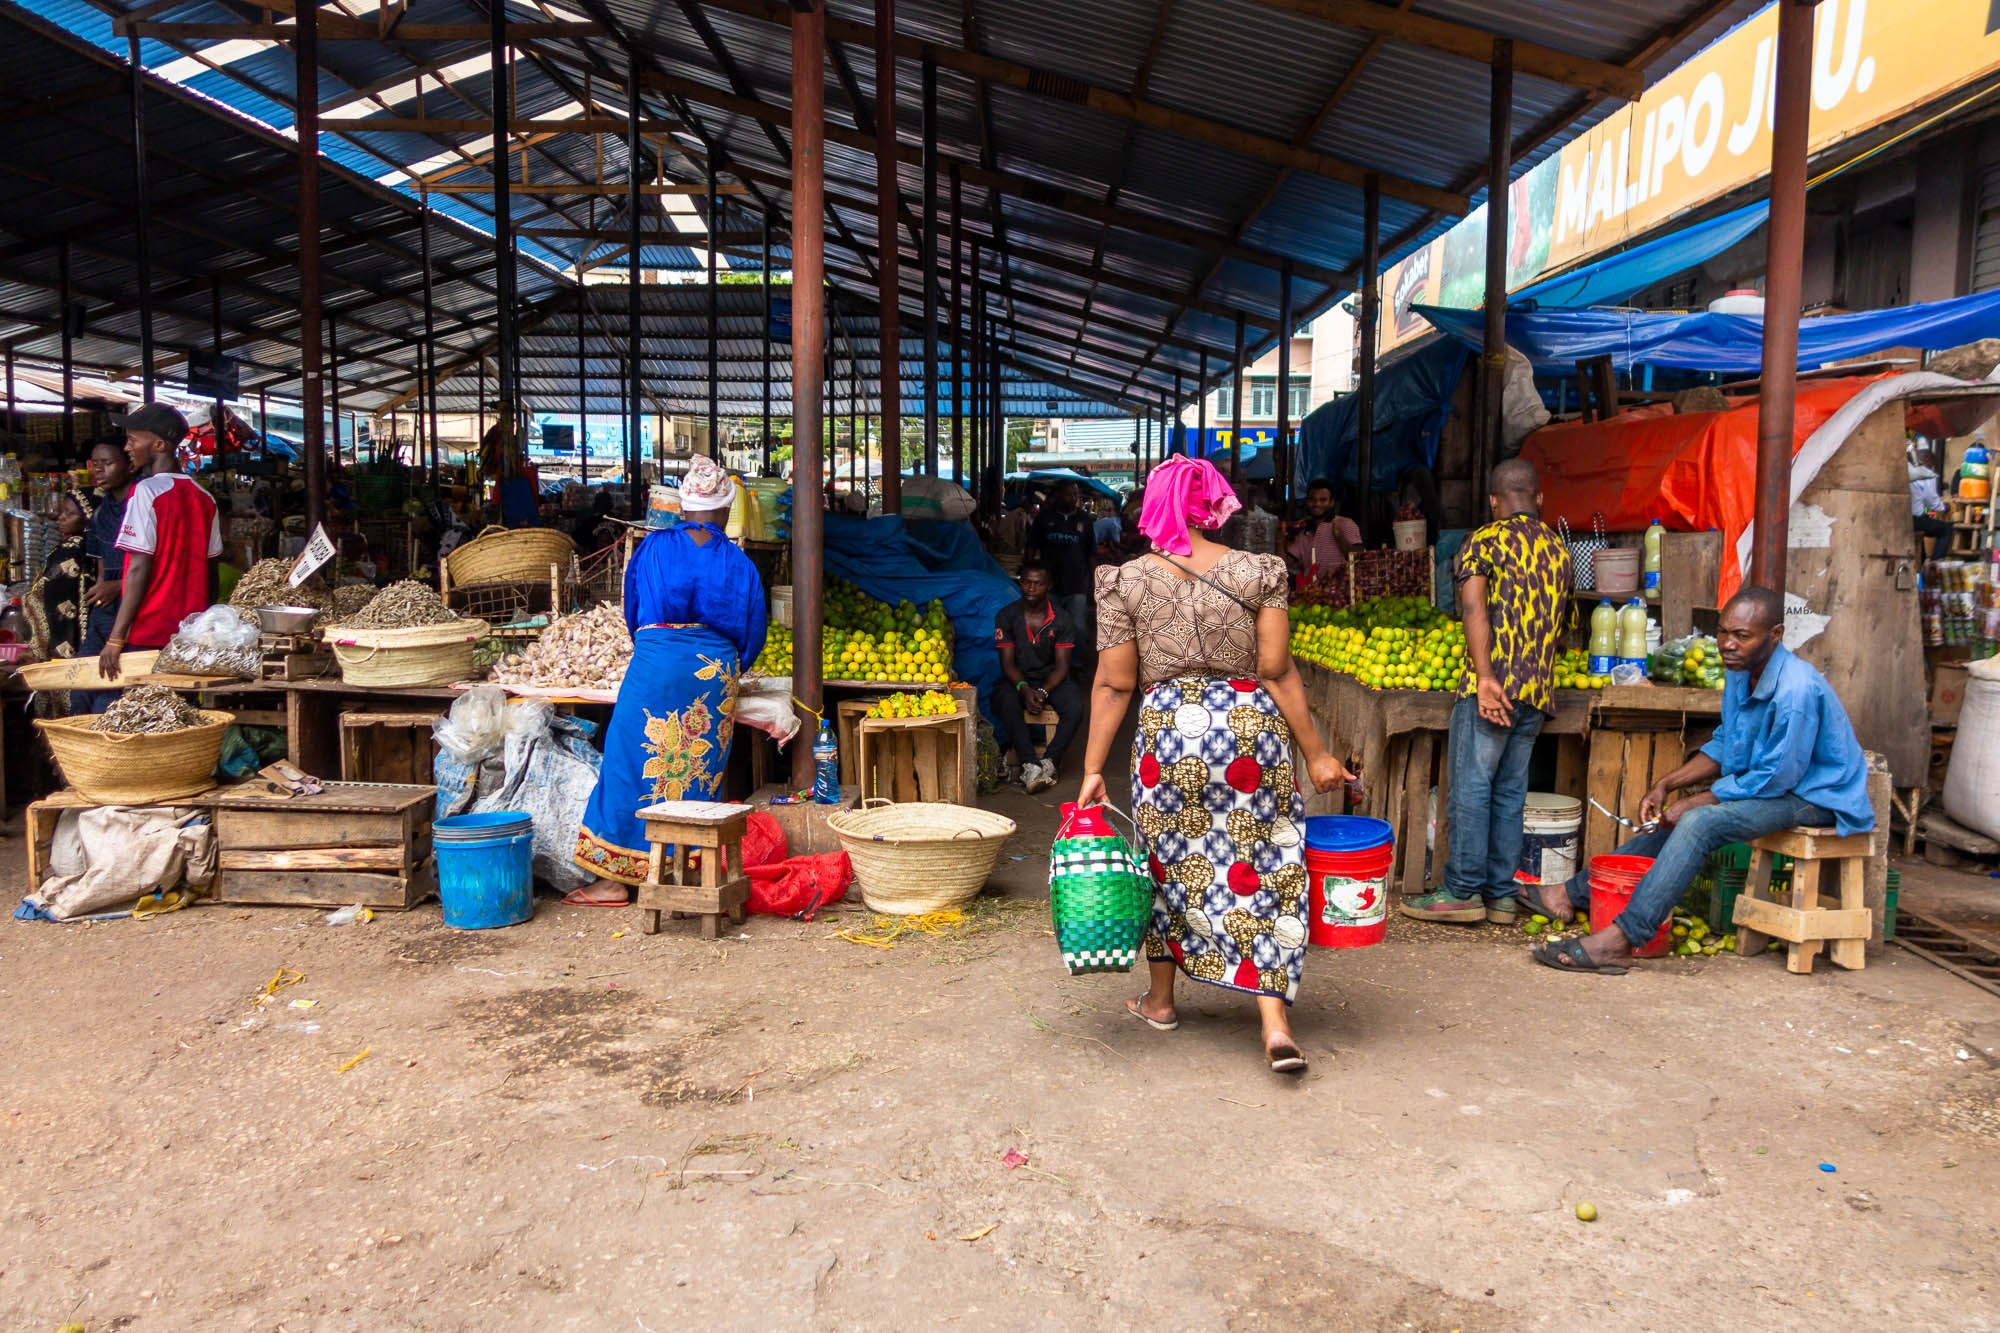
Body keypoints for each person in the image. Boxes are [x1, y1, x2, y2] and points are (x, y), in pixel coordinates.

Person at [1078, 455, 1352, 1074]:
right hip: (1249, 731)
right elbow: (1277, 669)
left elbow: (1114, 685)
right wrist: (1317, 753)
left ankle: (1160, 999)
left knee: (1168, 861)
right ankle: (1276, 1025)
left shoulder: (1124, 582)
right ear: (1214, 505)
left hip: (1169, 738)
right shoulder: (1260, 572)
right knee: (1265, 859)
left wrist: (1094, 766)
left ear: (1154, 506)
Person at [1525, 586, 1873, 974]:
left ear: (1775, 635)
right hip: (1779, 786)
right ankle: (1571, 892)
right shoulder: (1742, 672)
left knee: (1697, 822)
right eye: (1723, 631)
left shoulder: (1796, 691)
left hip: (1818, 797)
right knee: (1674, 818)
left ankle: (1621, 940)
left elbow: (1775, 778)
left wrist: (1695, 802)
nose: (1727, 644)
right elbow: (1728, 743)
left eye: (1742, 635)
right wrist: (1667, 785)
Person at [570, 458, 767, 905]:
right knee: (698, 772)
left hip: (654, 664)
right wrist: (726, 668)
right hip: (711, 674)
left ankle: (615, 880)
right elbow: (752, 634)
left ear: (684, 505)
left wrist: (658, 654)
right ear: (725, 508)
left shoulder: (652, 549)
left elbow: (633, 614)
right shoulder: (740, 564)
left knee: (626, 764)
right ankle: (681, 872)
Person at [1401, 459, 1572, 926]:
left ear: (1494, 501)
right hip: (1536, 691)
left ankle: (1461, 891)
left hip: (1492, 687)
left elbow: (1472, 608)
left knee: (1472, 790)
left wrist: (1485, 677)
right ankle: (1499, 896)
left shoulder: (1485, 540)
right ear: (1538, 498)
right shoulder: (1559, 549)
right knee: (1510, 791)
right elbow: (1562, 629)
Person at [97, 404, 220, 684]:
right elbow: (211, 571)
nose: (127, 447)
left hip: (148, 631)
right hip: (190, 637)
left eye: (133, 440)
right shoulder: (205, 498)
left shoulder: (146, 492)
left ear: (159, 444)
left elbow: (138, 568)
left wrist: (116, 638)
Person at [992, 562, 1086, 792]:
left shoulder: (1062, 619)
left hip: (1050, 678)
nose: (1030, 589)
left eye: (1038, 584)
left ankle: (1049, 762)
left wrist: (1043, 691)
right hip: (1018, 678)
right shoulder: (1007, 616)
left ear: (1049, 586)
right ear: (1020, 583)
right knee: (1003, 699)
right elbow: (1007, 663)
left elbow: (1062, 666)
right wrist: (1025, 690)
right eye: (1026, 582)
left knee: (1075, 706)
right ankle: (1029, 764)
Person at [25, 490, 95, 665]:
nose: (61, 518)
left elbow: (49, 595)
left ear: (88, 517)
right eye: (62, 511)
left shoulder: (69, 552)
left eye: (70, 514)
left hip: (68, 639)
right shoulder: (94, 548)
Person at [1027, 479, 1095, 631]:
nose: (1073, 498)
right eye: (1068, 495)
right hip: (1049, 585)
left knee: (1078, 627)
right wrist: (1029, 573)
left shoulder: (1084, 519)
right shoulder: (1044, 517)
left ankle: (1076, 656)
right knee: (1049, 627)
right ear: (1058, 495)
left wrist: (1093, 583)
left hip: (1077, 585)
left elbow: (1091, 553)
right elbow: (1031, 547)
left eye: (1075, 495)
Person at [1285, 477, 1362, 582]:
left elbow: (1358, 558)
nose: (1317, 504)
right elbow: (1285, 564)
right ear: (1307, 502)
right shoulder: (1302, 532)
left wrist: (1340, 538)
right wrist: (1280, 542)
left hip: (1340, 593)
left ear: (1331, 503)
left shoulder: (1345, 524)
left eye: (1323, 500)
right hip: (1311, 594)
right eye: (1312, 499)